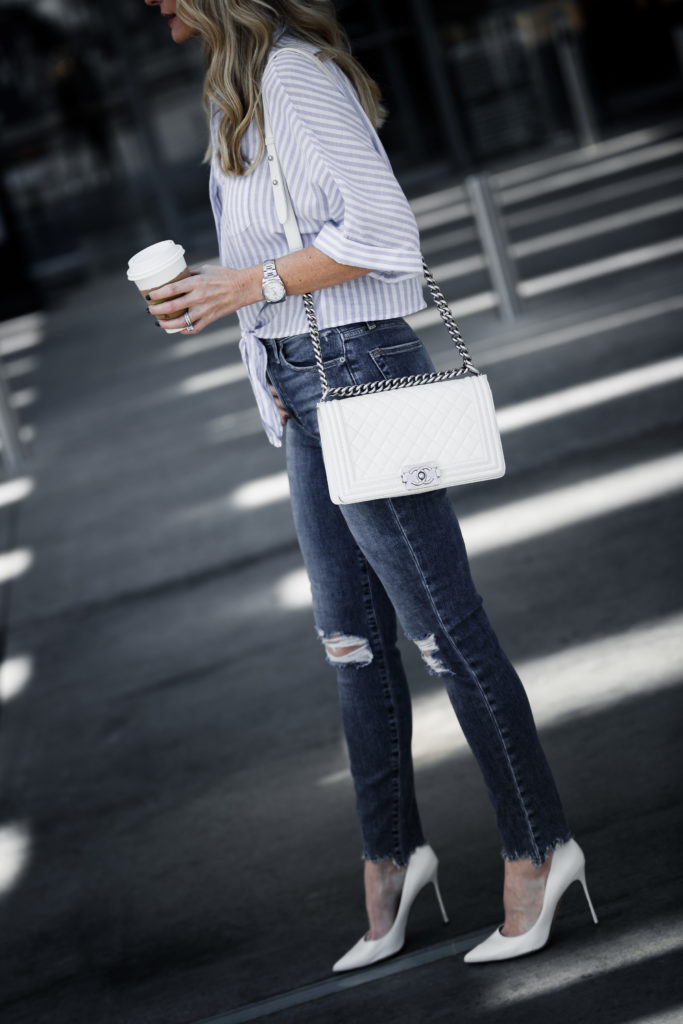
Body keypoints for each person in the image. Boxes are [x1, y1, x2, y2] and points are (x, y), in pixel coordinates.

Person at [142, 0, 598, 971]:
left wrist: (246, 284)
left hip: (353, 369)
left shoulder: (295, 77)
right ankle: (392, 859)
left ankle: (539, 845)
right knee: (350, 644)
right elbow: (275, 260)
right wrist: (220, 295)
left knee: (442, 629)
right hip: (306, 386)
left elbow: (384, 233)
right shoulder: (241, 91)